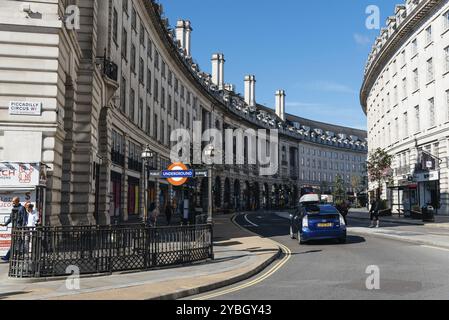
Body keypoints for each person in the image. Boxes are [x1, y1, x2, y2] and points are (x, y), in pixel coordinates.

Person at [0, 197, 28, 262]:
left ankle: (8, 257)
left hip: (19, 228)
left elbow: (24, 218)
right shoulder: (13, 209)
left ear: (17, 201)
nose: (12, 203)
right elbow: (10, 218)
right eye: (12, 201)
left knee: (15, 243)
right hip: (14, 228)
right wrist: (5, 224)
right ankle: (15, 256)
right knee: (16, 243)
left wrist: (22, 227)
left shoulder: (22, 208)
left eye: (13, 201)